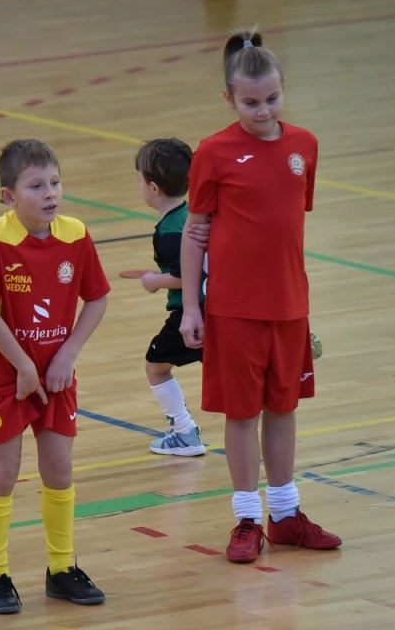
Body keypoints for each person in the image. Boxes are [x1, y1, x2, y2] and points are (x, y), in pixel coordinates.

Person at [179, 29, 341, 562]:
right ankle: (247, 518)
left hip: (291, 306)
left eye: (272, 98)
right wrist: (192, 309)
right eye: (250, 102)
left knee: (284, 407)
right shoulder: (213, 153)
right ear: (229, 98)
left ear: (283, 89)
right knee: (243, 414)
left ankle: (287, 514)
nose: (263, 110)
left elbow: (287, 220)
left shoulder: (305, 146)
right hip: (233, 309)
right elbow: (195, 230)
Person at [0, 139, 110, 614]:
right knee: (4, 472)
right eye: (36, 186)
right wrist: (23, 364)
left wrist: (67, 353)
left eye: (55, 182)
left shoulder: (75, 234)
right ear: (8, 196)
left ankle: (61, 568)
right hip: (8, 377)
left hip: (57, 376)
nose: (50, 193)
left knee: (59, 470)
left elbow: (98, 299)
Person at [119, 137, 206, 457]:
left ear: (153, 188)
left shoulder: (168, 230)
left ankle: (184, 433)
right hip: (218, 308)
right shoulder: (196, 214)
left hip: (191, 313)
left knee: (156, 366)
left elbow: (184, 275)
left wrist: (155, 280)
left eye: (139, 179)